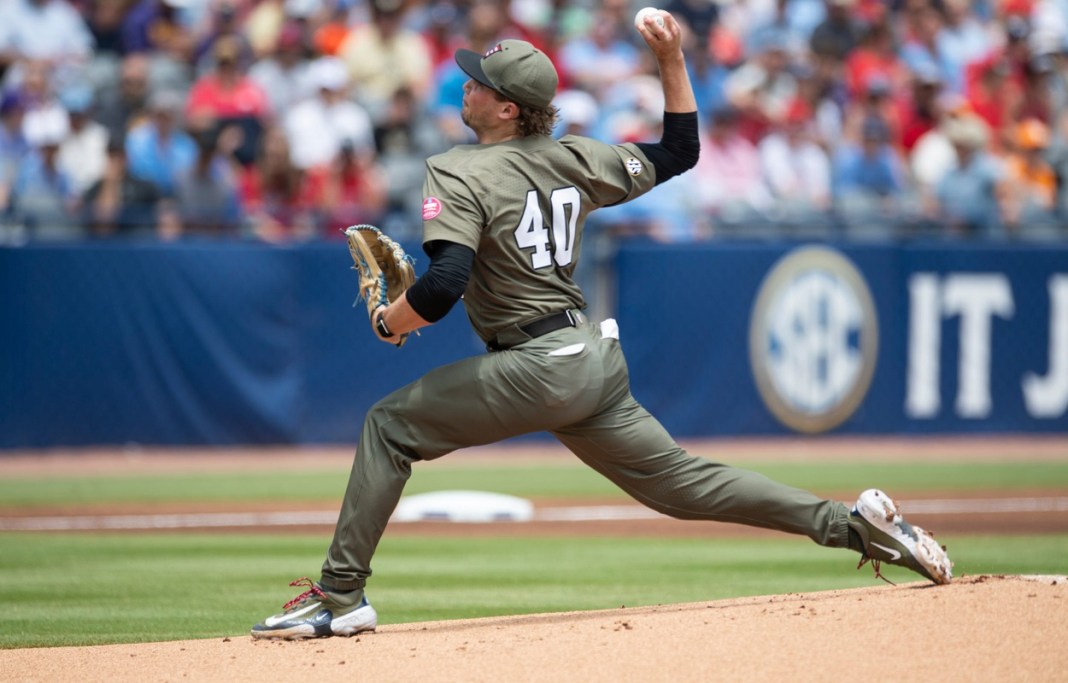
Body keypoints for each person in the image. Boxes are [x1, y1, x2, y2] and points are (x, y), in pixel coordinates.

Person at [251, 14, 953, 641]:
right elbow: (681, 149)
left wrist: (387, 322)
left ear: (505, 106)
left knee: (387, 425)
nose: (462, 87)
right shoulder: (574, 156)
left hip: (534, 364)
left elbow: (442, 285)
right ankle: (854, 526)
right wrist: (673, 59)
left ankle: (340, 596)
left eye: (477, 83)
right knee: (684, 485)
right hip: (587, 359)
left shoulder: (456, 170)